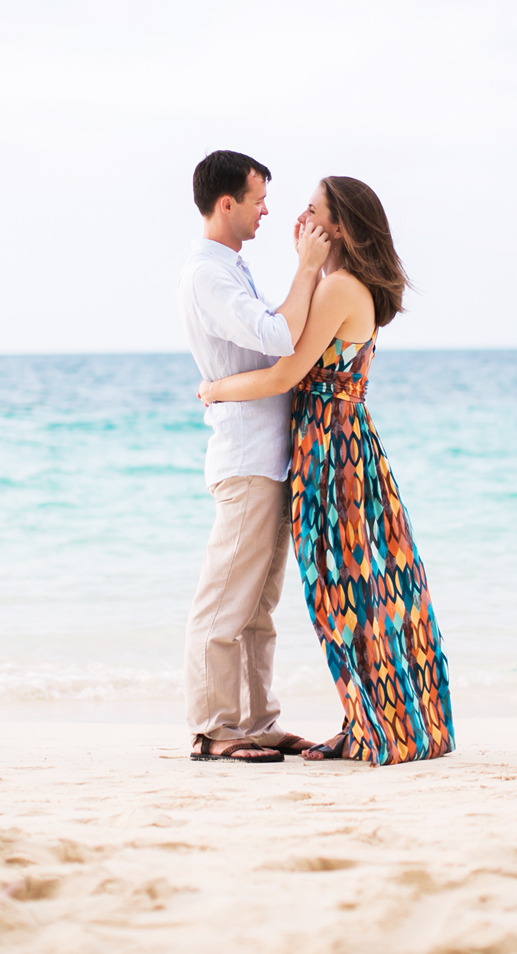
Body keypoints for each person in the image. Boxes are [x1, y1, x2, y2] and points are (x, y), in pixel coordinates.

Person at [198, 175, 454, 766]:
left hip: (333, 454)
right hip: (339, 447)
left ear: (337, 226)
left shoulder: (341, 287)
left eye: (312, 211)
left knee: (346, 594)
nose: (299, 217)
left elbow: (286, 373)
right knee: (356, 591)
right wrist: (305, 265)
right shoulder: (338, 283)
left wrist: (215, 388)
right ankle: (366, 721)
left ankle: (377, 727)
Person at [179, 149, 332, 764]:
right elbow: (277, 336)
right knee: (223, 601)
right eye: (257, 198)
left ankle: (257, 722)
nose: (266, 208)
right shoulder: (207, 274)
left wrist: (309, 275)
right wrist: (307, 268)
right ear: (227, 203)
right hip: (244, 457)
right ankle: (214, 729)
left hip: (270, 456)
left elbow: (276, 334)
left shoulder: (232, 269)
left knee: (259, 606)